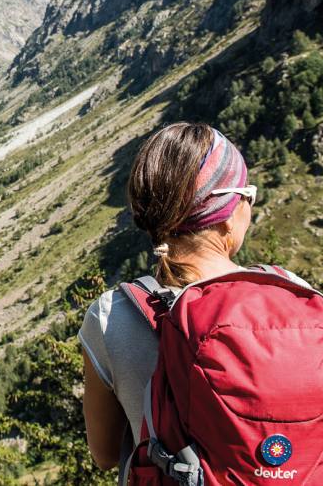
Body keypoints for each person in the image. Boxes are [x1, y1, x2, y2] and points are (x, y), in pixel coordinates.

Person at [78, 122, 256, 483]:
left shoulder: (112, 316)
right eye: (248, 195)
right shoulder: (296, 293)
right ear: (228, 213)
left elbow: (105, 454)